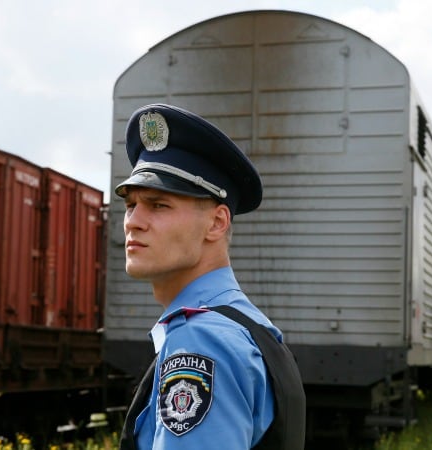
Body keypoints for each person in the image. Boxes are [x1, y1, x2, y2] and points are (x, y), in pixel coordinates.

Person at [115, 103, 306, 450]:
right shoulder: (250, 327)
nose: (133, 221)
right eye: (131, 205)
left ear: (216, 223)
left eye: (158, 205)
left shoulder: (201, 342)